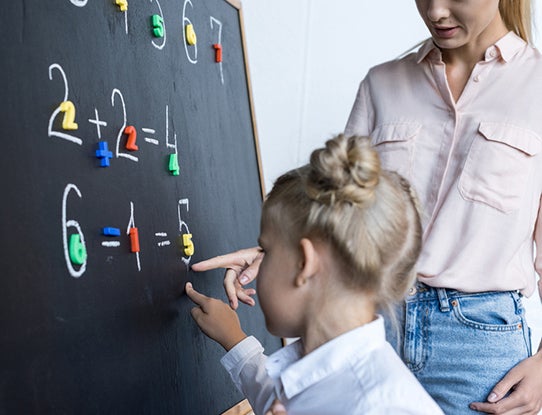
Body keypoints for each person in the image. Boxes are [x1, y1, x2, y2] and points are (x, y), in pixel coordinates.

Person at [193, 1, 542, 413]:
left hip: (478, 348)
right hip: (368, 324)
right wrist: (275, 255)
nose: (436, 12)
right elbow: (339, 206)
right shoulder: (383, 84)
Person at [186, 135, 444, 414]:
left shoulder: (383, 406)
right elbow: (276, 397)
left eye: (266, 251)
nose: (258, 265)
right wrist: (234, 340)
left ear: (304, 265)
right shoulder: (330, 371)